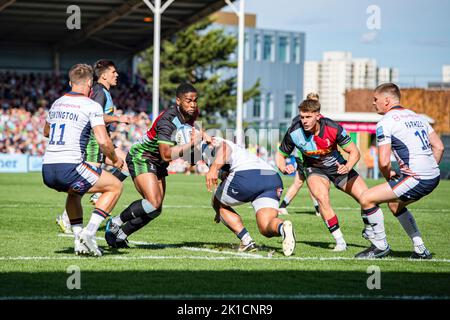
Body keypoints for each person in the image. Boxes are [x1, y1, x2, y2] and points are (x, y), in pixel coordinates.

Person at [104, 83, 202, 248]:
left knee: (155, 209)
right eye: (188, 101)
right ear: (178, 101)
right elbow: (165, 153)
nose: (193, 104)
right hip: (142, 156)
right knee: (153, 202)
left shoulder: (192, 114)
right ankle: (114, 222)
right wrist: (191, 145)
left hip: (158, 162)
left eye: (195, 101)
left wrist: (196, 149)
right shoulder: (168, 120)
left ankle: (121, 235)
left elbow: (189, 137)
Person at [42, 63, 124, 256]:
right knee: (114, 186)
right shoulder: (91, 105)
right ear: (89, 82)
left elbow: (46, 131)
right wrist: (115, 158)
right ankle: (90, 232)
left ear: (70, 82)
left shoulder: (57, 102)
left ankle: (78, 239)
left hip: (47, 169)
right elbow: (103, 141)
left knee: (74, 193)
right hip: (70, 166)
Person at [355, 83, 444, 259]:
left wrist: (389, 175)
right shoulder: (418, 117)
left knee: (366, 198)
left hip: (417, 177)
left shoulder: (386, 122)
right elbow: (439, 147)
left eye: (376, 99)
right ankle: (420, 250)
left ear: (387, 100)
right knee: (395, 204)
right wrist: (428, 169)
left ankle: (379, 246)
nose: (373, 103)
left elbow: (383, 161)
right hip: (433, 175)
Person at [276, 99, 369, 252]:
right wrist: (283, 167)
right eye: (302, 117)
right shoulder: (294, 132)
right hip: (313, 168)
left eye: (308, 117)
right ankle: (340, 241)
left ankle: (369, 228)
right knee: (322, 197)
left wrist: (348, 166)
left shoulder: (333, 128)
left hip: (338, 167)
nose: (304, 121)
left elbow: (354, 152)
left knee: (366, 197)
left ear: (318, 116)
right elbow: (280, 155)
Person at [56, 59, 131, 234]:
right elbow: (94, 115)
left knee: (128, 162)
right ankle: (67, 218)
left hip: (102, 139)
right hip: (94, 141)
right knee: (84, 182)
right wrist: (118, 118)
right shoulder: (99, 91)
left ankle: (94, 197)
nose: (116, 75)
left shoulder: (103, 91)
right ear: (103, 75)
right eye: (113, 72)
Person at [204, 136, 296, 256]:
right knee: (265, 226)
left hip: (249, 175)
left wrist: (213, 169)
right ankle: (282, 228)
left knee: (216, 200)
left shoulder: (206, 144)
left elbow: (225, 148)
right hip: (271, 177)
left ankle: (246, 241)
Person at [279, 92, 320, 216]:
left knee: (298, 182)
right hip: (303, 156)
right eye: (314, 102)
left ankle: (282, 206)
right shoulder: (299, 120)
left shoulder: (317, 117)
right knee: (313, 180)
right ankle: (319, 209)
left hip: (309, 155)